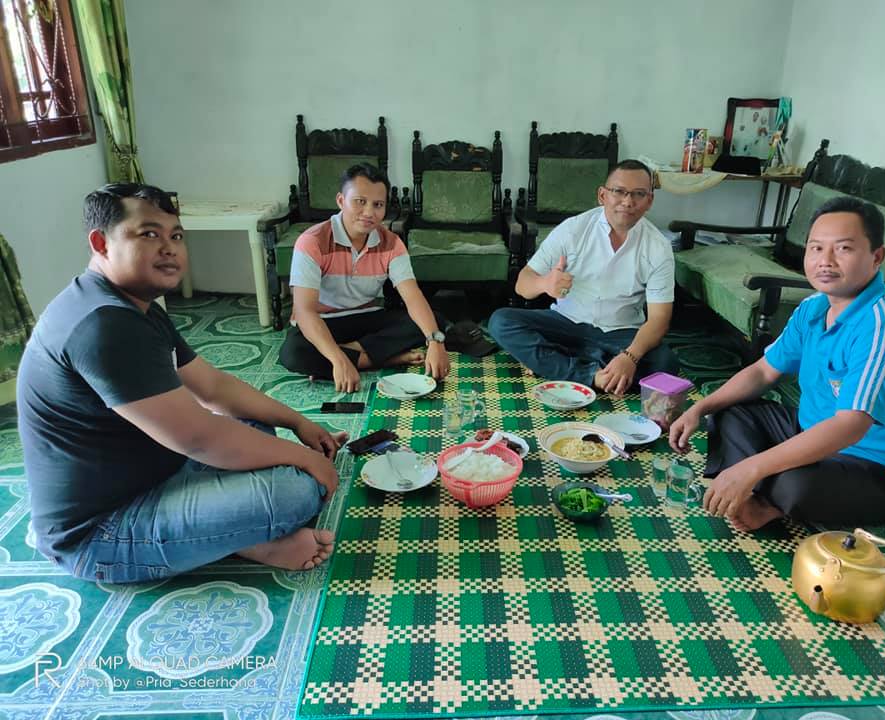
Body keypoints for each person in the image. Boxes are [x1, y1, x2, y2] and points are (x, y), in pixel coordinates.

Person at [17, 183, 346, 584]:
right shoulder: (105, 326)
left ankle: (231, 535)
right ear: (101, 243)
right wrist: (307, 459)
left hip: (157, 473)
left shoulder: (132, 307)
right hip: (101, 532)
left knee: (254, 424)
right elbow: (199, 439)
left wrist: (298, 422)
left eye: (175, 236)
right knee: (295, 491)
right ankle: (245, 540)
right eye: (149, 234)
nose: (169, 248)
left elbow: (213, 388)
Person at [669, 197, 885, 532]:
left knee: (794, 485)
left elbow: (851, 426)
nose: (825, 261)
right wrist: (700, 408)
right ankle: (752, 491)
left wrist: (752, 467)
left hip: (880, 467)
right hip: (812, 429)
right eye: (816, 248)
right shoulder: (814, 307)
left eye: (843, 248)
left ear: (877, 256)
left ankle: (765, 500)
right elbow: (763, 371)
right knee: (729, 411)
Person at [488, 159, 678, 396]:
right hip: (567, 323)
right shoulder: (573, 229)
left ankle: (559, 363)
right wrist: (545, 283)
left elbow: (659, 319)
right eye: (619, 191)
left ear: (649, 200)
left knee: (665, 364)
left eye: (638, 194)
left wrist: (630, 357)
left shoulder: (658, 247)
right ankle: (593, 374)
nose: (628, 201)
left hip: (622, 333)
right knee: (501, 322)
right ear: (602, 195)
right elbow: (522, 284)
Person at [278, 163, 450, 392]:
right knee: (293, 352)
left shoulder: (391, 243)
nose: (369, 213)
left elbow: (412, 296)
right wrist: (338, 359)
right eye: (360, 201)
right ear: (341, 200)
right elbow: (304, 311)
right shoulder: (312, 241)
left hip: (366, 317)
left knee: (434, 322)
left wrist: (435, 342)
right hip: (323, 321)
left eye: (378, 205)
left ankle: (351, 354)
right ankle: (382, 358)